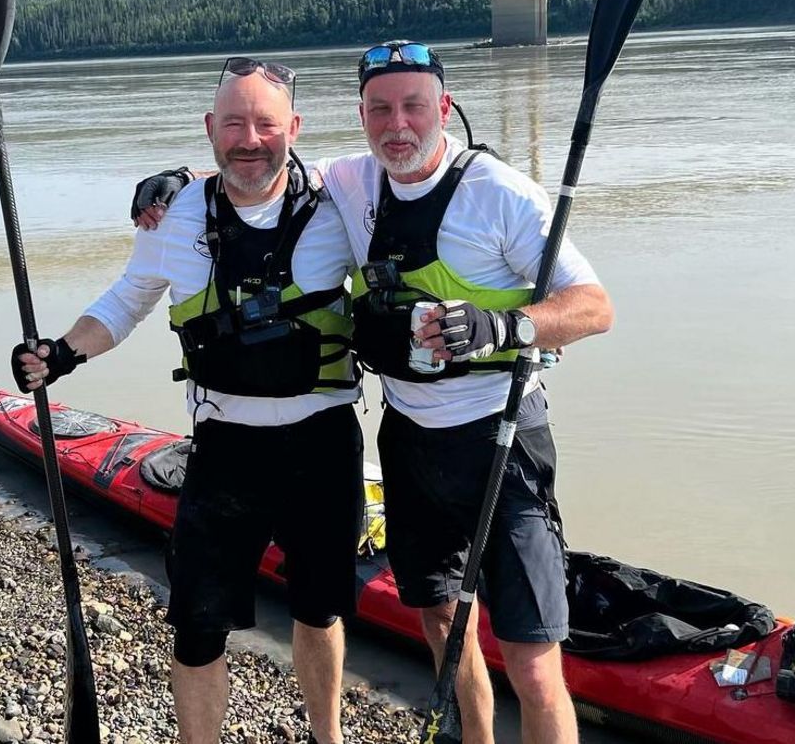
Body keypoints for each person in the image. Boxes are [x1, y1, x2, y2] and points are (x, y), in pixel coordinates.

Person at [131, 41, 614, 744]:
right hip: (410, 445)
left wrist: (504, 325)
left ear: (442, 108)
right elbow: (258, 164)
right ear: (361, 115)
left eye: (414, 106)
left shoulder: (501, 194)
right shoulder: (353, 181)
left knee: (535, 665)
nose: (398, 125)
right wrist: (178, 177)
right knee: (446, 627)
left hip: (500, 443)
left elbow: (595, 305)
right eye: (380, 109)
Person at [13, 57, 363, 744]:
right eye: (233, 122)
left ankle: (329, 737)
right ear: (209, 128)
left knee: (320, 610)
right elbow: (124, 303)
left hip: (322, 442)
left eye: (266, 122)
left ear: (294, 127)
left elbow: (415, 187)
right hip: (225, 449)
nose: (249, 137)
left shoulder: (342, 199)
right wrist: (59, 353)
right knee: (198, 624)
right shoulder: (174, 218)